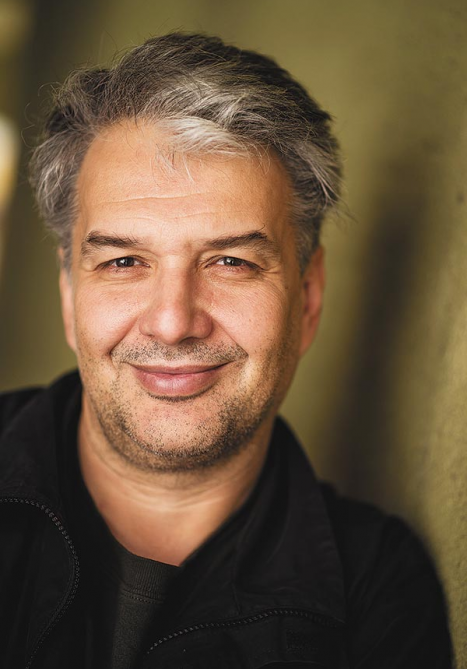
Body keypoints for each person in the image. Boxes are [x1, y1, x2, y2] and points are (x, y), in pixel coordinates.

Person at [0, 33, 451, 668]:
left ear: (308, 297)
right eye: (124, 261)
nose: (172, 322)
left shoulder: (377, 594)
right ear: (70, 294)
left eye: (231, 262)